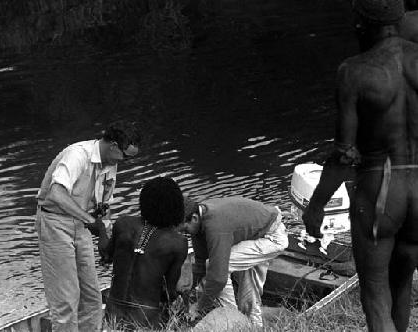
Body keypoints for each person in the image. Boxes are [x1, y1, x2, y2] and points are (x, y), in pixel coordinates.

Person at [302, 1, 418, 331]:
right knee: (402, 280)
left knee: (376, 297)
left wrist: (317, 206)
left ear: (361, 23)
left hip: (382, 189)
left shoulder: (354, 71)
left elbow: (344, 155)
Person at [35, 121, 140, 332]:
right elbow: (56, 194)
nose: (127, 162)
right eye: (126, 157)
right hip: (55, 222)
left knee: (92, 296)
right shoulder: (78, 155)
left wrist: (106, 234)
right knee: (66, 300)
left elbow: (104, 205)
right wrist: (94, 224)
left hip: (80, 223)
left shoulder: (111, 164)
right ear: (113, 146)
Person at [179, 196, 288, 327]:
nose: (186, 234)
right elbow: (200, 261)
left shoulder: (215, 226)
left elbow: (218, 278)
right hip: (255, 234)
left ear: (194, 218)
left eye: (185, 230)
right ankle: (255, 326)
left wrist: (200, 306)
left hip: (272, 237)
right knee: (247, 295)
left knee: (219, 266)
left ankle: (232, 320)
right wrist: (189, 290)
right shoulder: (199, 220)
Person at [96, 177, 188, 330]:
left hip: (113, 316)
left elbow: (106, 254)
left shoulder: (123, 224)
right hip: (146, 321)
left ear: (143, 202)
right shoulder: (178, 243)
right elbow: (168, 291)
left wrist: (100, 228)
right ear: (176, 207)